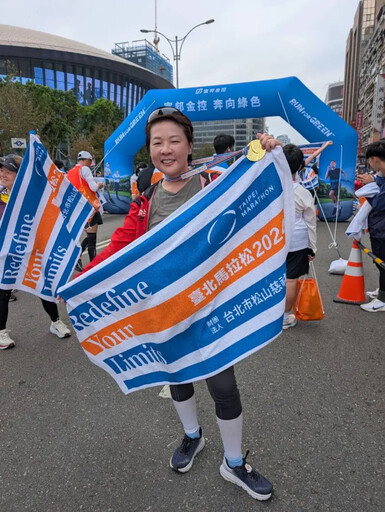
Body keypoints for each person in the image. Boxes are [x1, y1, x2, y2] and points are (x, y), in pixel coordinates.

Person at [77, 106, 284, 501]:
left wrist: (266, 148)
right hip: (166, 313)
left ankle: (235, 462)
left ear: (190, 146)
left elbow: (253, 174)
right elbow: (120, 244)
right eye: (157, 142)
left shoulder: (214, 182)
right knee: (177, 377)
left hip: (210, 311)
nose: (165, 149)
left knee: (223, 385)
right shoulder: (148, 197)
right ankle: (193, 437)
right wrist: (82, 279)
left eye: (174, 141)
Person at [0, 154, 71, 349]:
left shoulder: (33, 199)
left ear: (20, 174)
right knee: (3, 291)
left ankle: (55, 322)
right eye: (1, 169)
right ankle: (1, 332)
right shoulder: (1, 196)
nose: (2, 173)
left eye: (8, 169)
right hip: (5, 255)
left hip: (31, 252)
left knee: (42, 286)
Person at [282, 145, 317, 329]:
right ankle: (285, 316)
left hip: (274, 240)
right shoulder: (302, 192)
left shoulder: (272, 188)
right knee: (290, 279)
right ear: (301, 166)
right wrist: (313, 247)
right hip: (297, 241)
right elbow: (311, 222)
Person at [357, 140, 385, 312]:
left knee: (382, 262)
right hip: (379, 225)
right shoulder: (381, 174)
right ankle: (382, 291)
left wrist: (366, 192)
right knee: (379, 261)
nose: (368, 164)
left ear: (374, 159)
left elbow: (380, 203)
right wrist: (373, 181)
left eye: (368, 160)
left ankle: (383, 299)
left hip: (382, 228)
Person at [67, 151, 104, 272]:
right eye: (90, 161)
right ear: (86, 160)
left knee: (88, 236)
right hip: (90, 207)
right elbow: (93, 187)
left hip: (78, 208)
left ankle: (77, 257)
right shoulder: (85, 169)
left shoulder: (70, 172)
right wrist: (99, 185)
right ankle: (94, 265)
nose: (91, 164)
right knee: (92, 238)